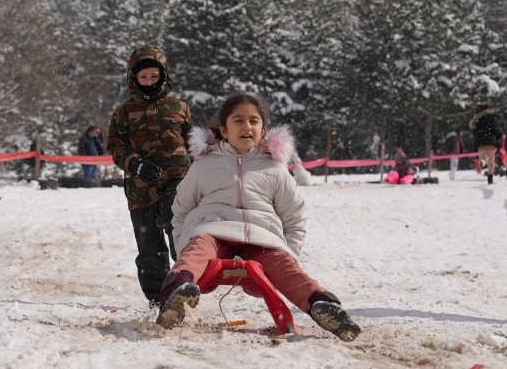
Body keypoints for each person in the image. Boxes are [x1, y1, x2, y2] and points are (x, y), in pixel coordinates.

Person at [156, 93, 361, 341]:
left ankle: (322, 304)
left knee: (284, 268)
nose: (247, 126)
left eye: (254, 121)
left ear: (263, 130)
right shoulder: (203, 166)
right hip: (212, 231)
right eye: (238, 120)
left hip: (261, 238)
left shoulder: (274, 168)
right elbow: (181, 211)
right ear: (223, 129)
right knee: (197, 250)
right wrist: (183, 245)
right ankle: (176, 295)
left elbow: (294, 217)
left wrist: (289, 252)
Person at [107, 45, 192, 307]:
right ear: (133, 78)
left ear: (164, 75)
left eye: (154, 76)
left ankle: (184, 285)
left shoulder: (179, 107)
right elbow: (115, 146)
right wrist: (135, 164)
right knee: (148, 247)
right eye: (143, 77)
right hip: (141, 189)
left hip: (178, 183)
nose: (149, 81)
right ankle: (158, 299)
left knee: (180, 235)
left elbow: (193, 143)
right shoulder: (124, 112)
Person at [471, 103, 506, 184]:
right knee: (491, 161)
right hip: (490, 140)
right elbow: (496, 127)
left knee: (484, 158)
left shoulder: (477, 119)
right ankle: (490, 179)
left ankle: (481, 163)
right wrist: (501, 134)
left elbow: (474, 131)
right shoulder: (491, 117)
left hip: (480, 141)